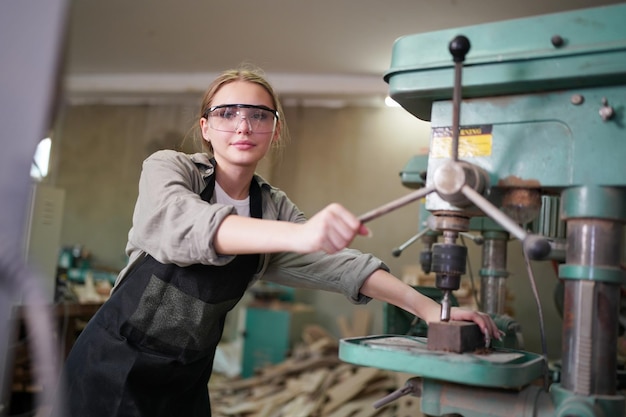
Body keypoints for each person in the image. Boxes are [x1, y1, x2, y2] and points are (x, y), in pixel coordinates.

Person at [59, 66, 500, 417]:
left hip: (187, 377)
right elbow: (182, 226)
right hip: (113, 365)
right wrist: (303, 234)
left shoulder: (272, 207)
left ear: (274, 129)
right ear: (205, 128)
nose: (242, 125)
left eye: (258, 115)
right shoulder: (172, 169)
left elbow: (339, 264)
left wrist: (430, 309)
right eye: (226, 113)